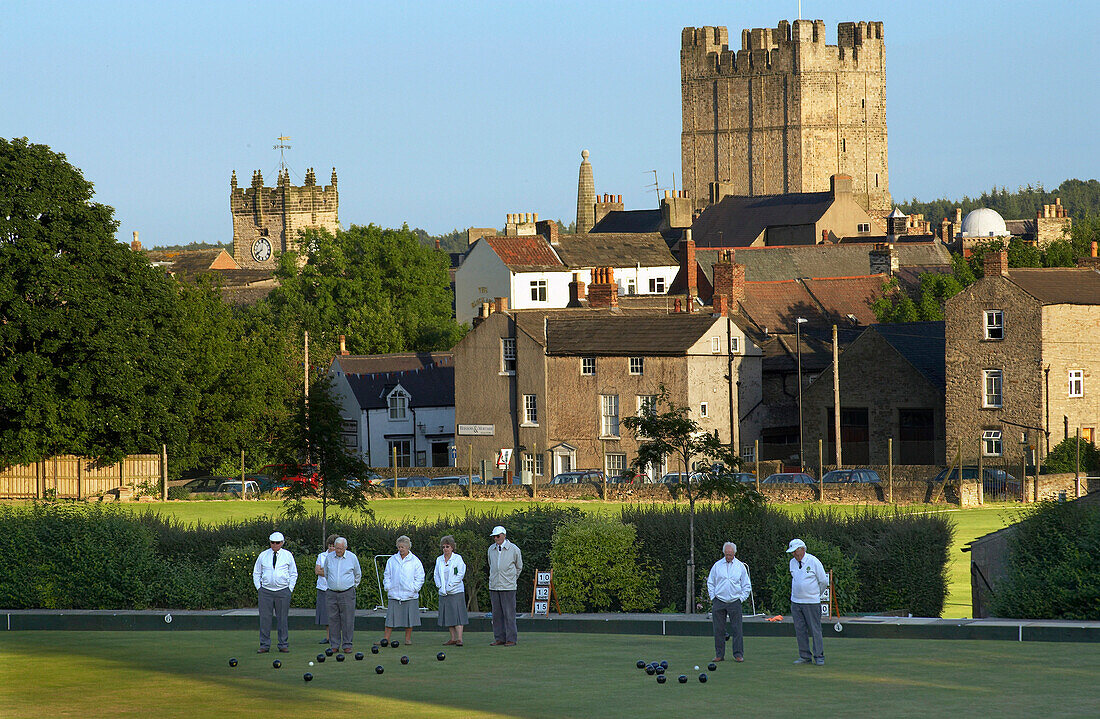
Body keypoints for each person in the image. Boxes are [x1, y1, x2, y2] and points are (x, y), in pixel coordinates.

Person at [252, 531, 298, 653]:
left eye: (277, 542)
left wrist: (290, 589)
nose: (275, 545)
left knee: (282, 619)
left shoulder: (288, 555)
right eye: (272, 542)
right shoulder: (263, 555)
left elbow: (293, 573)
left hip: (283, 591)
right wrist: (259, 588)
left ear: (282, 543)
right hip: (265, 591)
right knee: (265, 619)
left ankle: (283, 644)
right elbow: (256, 572)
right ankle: (264, 645)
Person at [786, 538, 829, 666]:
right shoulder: (792, 563)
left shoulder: (814, 561)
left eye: (796, 551)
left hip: (811, 602)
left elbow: (823, 582)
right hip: (796, 602)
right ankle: (804, 656)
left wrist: (815, 595)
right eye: (792, 552)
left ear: (803, 549)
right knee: (800, 630)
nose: (794, 554)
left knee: (815, 630)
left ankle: (819, 656)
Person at [706, 541, 751, 663]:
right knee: (718, 629)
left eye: (730, 554)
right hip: (719, 601)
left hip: (734, 601)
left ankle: (738, 654)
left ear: (734, 553)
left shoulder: (740, 566)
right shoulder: (717, 565)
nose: (728, 557)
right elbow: (710, 582)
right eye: (726, 554)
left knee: (737, 630)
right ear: (724, 553)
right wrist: (713, 598)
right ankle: (719, 655)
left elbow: (746, 585)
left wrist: (740, 599)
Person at [382, 535, 424, 646]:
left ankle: (407, 639)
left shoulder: (415, 561)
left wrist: (414, 589)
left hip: (410, 595)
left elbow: (420, 577)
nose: (400, 549)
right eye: (399, 547)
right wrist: (388, 587)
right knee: (390, 619)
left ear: (408, 548)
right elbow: (387, 575)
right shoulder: (392, 560)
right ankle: (386, 639)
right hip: (394, 594)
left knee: (409, 618)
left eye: (403, 547)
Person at [323, 537, 362, 655]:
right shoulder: (329, 557)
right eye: (337, 548)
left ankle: (347, 645)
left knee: (348, 620)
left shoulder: (352, 558)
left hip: (347, 593)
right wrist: (333, 584)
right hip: (331, 592)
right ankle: (334, 645)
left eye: (341, 548)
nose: (338, 551)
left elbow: (357, 574)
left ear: (345, 547)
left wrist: (351, 586)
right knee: (333, 619)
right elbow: (326, 573)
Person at [487, 525, 522, 646]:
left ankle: (511, 639)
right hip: (494, 586)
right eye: (494, 536)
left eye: (498, 536)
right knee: (496, 615)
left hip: (508, 587)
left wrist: (511, 579)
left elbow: (519, 567)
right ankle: (499, 638)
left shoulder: (514, 549)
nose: (496, 538)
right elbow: (490, 564)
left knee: (509, 614)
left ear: (504, 535)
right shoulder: (491, 549)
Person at [433, 535, 468, 646]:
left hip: (456, 591)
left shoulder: (458, 559)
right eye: (443, 547)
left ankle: (460, 639)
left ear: (452, 547)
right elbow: (436, 574)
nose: (445, 549)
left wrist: (450, 585)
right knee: (448, 615)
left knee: (457, 615)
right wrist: (440, 586)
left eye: (447, 546)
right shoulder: (439, 559)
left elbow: (459, 574)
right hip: (443, 592)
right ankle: (452, 638)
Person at [314, 534, 337, 645]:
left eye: (334, 546)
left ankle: (336, 637)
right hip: (323, 588)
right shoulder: (321, 556)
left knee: (336, 615)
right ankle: (328, 637)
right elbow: (317, 571)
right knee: (325, 615)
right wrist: (328, 571)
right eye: (330, 545)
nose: (332, 548)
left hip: (335, 588)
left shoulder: (339, 557)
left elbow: (337, 573)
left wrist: (325, 571)